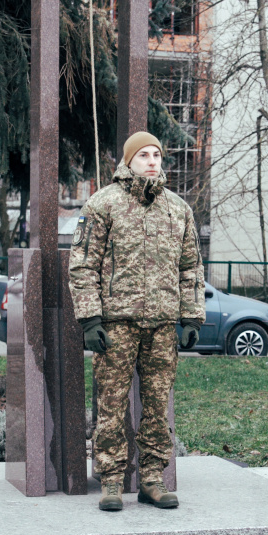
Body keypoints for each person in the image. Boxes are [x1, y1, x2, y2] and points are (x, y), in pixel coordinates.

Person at [68, 131, 205, 512]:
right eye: (143, 155)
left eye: (157, 155)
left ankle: (151, 479)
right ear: (128, 161)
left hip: (162, 325)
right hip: (117, 324)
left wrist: (192, 316)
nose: (151, 161)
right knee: (110, 405)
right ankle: (111, 480)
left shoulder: (178, 209)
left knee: (157, 405)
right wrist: (90, 318)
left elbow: (191, 266)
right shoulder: (102, 204)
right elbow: (82, 265)